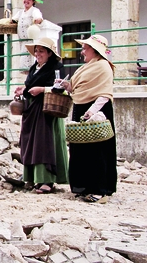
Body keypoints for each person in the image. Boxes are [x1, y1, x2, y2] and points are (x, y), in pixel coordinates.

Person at [58, 35, 117, 204]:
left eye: (85, 48)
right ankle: (83, 186)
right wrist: (66, 86)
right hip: (81, 107)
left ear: (95, 50)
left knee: (97, 150)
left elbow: (104, 92)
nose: (82, 51)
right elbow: (77, 89)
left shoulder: (103, 67)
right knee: (80, 150)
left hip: (96, 111)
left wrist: (91, 112)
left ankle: (99, 189)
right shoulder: (86, 67)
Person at [14, 37, 68, 194]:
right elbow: (30, 85)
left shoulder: (56, 67)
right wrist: (23, 89)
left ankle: (47, 180)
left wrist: (42, 89)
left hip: (47, 109)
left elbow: (59, 87)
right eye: (36, 51)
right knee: (30, 140)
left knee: (44, 142)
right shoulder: (34, 68)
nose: (37, 54)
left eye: (41, 51)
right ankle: (32, 177)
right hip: (32, 108)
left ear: (50, 53)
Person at [12, 0, 44, 69]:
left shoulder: (35, 10)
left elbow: (38, 18)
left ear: (33, 1)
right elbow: (13, 20)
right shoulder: (20, 13)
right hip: (22, 42)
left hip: (30, 41)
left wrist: (37, 20)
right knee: (23, 61)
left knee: (30, 61)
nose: (26, 1)